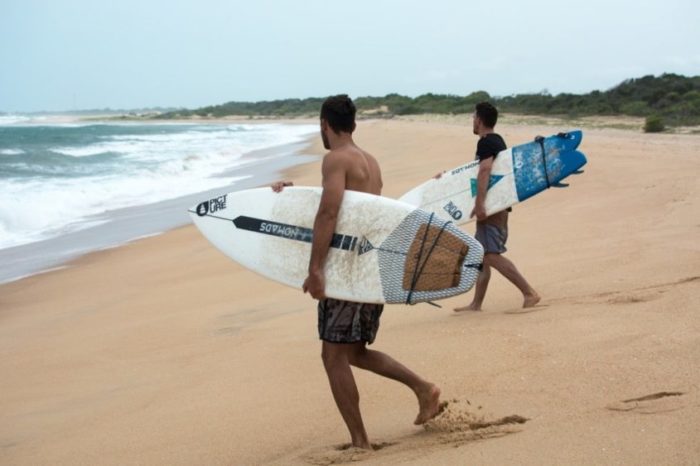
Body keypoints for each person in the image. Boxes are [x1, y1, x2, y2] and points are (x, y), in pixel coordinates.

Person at [272, 95, 441, 450]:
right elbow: (349, 210)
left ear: (324, 124)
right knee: (353, 352)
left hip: (347, 272)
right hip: (369, 269)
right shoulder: (370, 162)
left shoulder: (335, 159)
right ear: (353, 124)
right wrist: (289, 197)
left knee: (333, 356)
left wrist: (316, 269)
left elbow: (329, 215)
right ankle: (424, 389)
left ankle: (361, 441)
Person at [453, 102, 541, 312]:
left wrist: (479, 204)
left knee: (491, 254)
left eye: (474, 117)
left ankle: (529, 292)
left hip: (492, 208)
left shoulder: (486, 142)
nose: (472, 121)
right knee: (482, 255)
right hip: (495, 205)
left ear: (480, 120)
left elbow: (485, 171)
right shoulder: (497, 140)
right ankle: (476, 304)